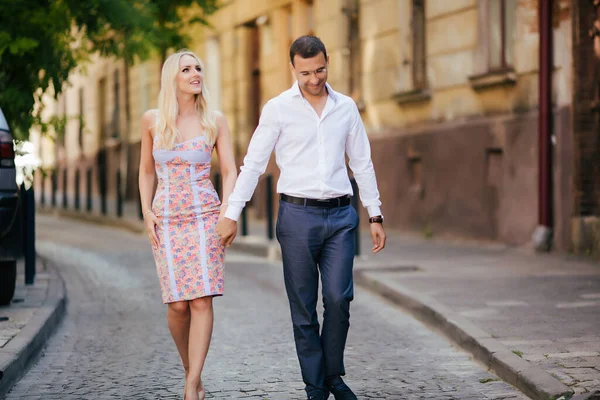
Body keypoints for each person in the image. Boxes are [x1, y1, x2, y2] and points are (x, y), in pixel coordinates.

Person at [216, 35, 386, 400]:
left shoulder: (346, 107)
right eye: (305, 72)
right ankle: (317, 386)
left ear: (328, 63)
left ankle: (332, 374)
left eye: (320, 70)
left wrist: (375, 213)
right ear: (293, 68)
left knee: (339, 299)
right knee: (304, 308)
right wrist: (232, 213)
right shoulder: (278, 109)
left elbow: (361, 162)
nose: (314, 79)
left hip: (341, 215)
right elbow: (254, 165)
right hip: (297, 217)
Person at [138, 49, 237, 400]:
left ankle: (193, 383)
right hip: (166, 218)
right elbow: (147, 171)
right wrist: (147, 213)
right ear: (172, 78)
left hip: (205, 217)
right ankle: (188, 366)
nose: (195, 73)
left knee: (201, 301)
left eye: (198, 68)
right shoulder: (152, 120)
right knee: (178, 304)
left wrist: (229, 212)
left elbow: (229, 170)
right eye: (187, 69)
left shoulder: (215, 120)